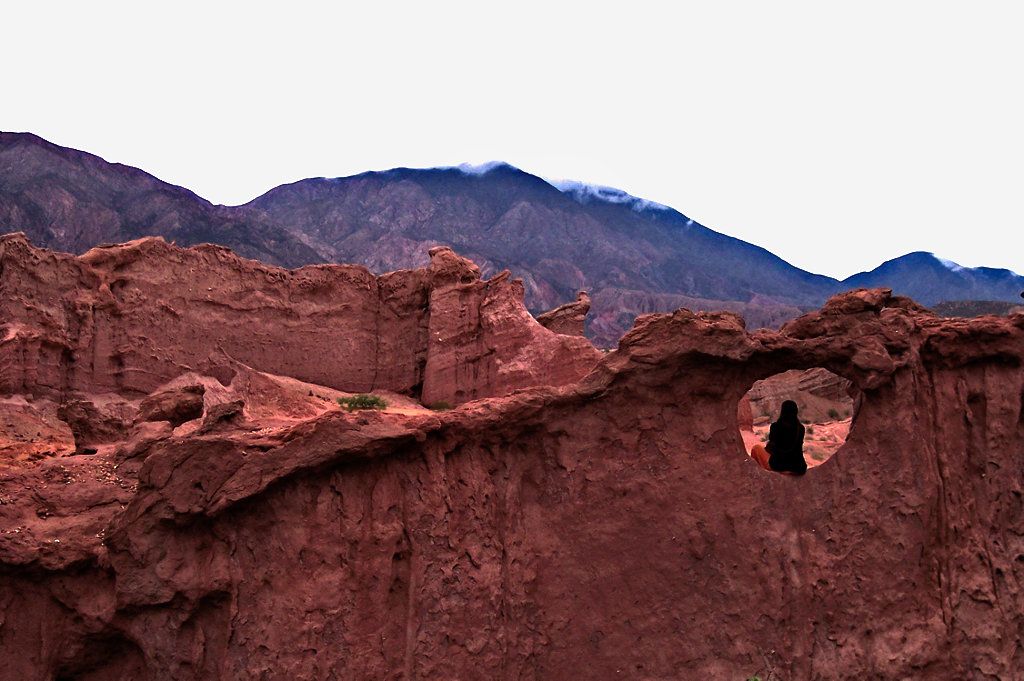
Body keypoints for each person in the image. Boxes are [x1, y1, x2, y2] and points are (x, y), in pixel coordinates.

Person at [750, 400, 807, 475]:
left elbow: (771, 447)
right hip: (798, 467)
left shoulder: (776, 426)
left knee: (756, 448)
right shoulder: (801, 428)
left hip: (779, 466)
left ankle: (757, 475)